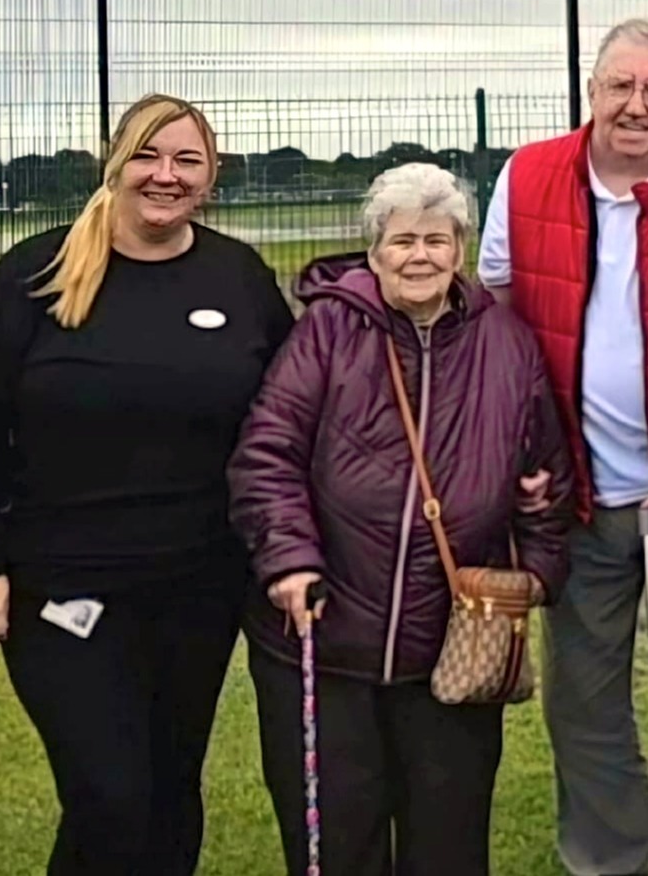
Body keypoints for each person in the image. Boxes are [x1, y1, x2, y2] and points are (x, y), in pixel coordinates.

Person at [0, 93, 294, 876]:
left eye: (187, 160)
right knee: (108, 796)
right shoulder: (34, 277)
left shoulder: (237, 276)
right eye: (148, 155)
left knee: (171, 790)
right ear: (114, 163)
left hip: (198, 585)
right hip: (63, 590)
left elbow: (294, 417)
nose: (166, 176)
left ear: (211, 175)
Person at [226, 162, 574, 876]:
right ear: (374, 250)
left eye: (437, 241)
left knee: (447, 848)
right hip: (323, 641)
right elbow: (267, 453)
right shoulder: (327, 330)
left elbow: (545, 471)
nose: (420, 256)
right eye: (402, 241)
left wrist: (536, 571)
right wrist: (289, 558)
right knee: (340, 846)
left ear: (461, 250)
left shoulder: (506, 342)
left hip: (454, 648)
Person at [477, 17, 648, 876]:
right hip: (577, 499)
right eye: (621, 87)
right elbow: (493, 318)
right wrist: (525, 456)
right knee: (582, 704)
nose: (636, 106)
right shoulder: (525, 178)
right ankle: (607, 860)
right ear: (591, 91)